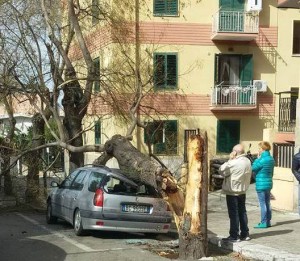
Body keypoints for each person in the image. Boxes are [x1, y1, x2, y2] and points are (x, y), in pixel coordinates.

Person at [219, 144, 252, 242]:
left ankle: (234, 235)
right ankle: (245, 234)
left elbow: (221, 170)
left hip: (233, 191)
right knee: (242, 212)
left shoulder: (234, 163)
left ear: (235, 152)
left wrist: (230, 159)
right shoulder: (247, 161)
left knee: (234, 214)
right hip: (242, 191)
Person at [252, 141, 275, 228]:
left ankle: (263, 222)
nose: (258, 150)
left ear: (262, 149)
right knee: (268, 203)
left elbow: (253, 168)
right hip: (269, 183)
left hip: (261, 184)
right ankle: (268, 221)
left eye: (259, 148)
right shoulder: (271, 159)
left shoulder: (262, 159)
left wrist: (257, 159)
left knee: (263, 204)